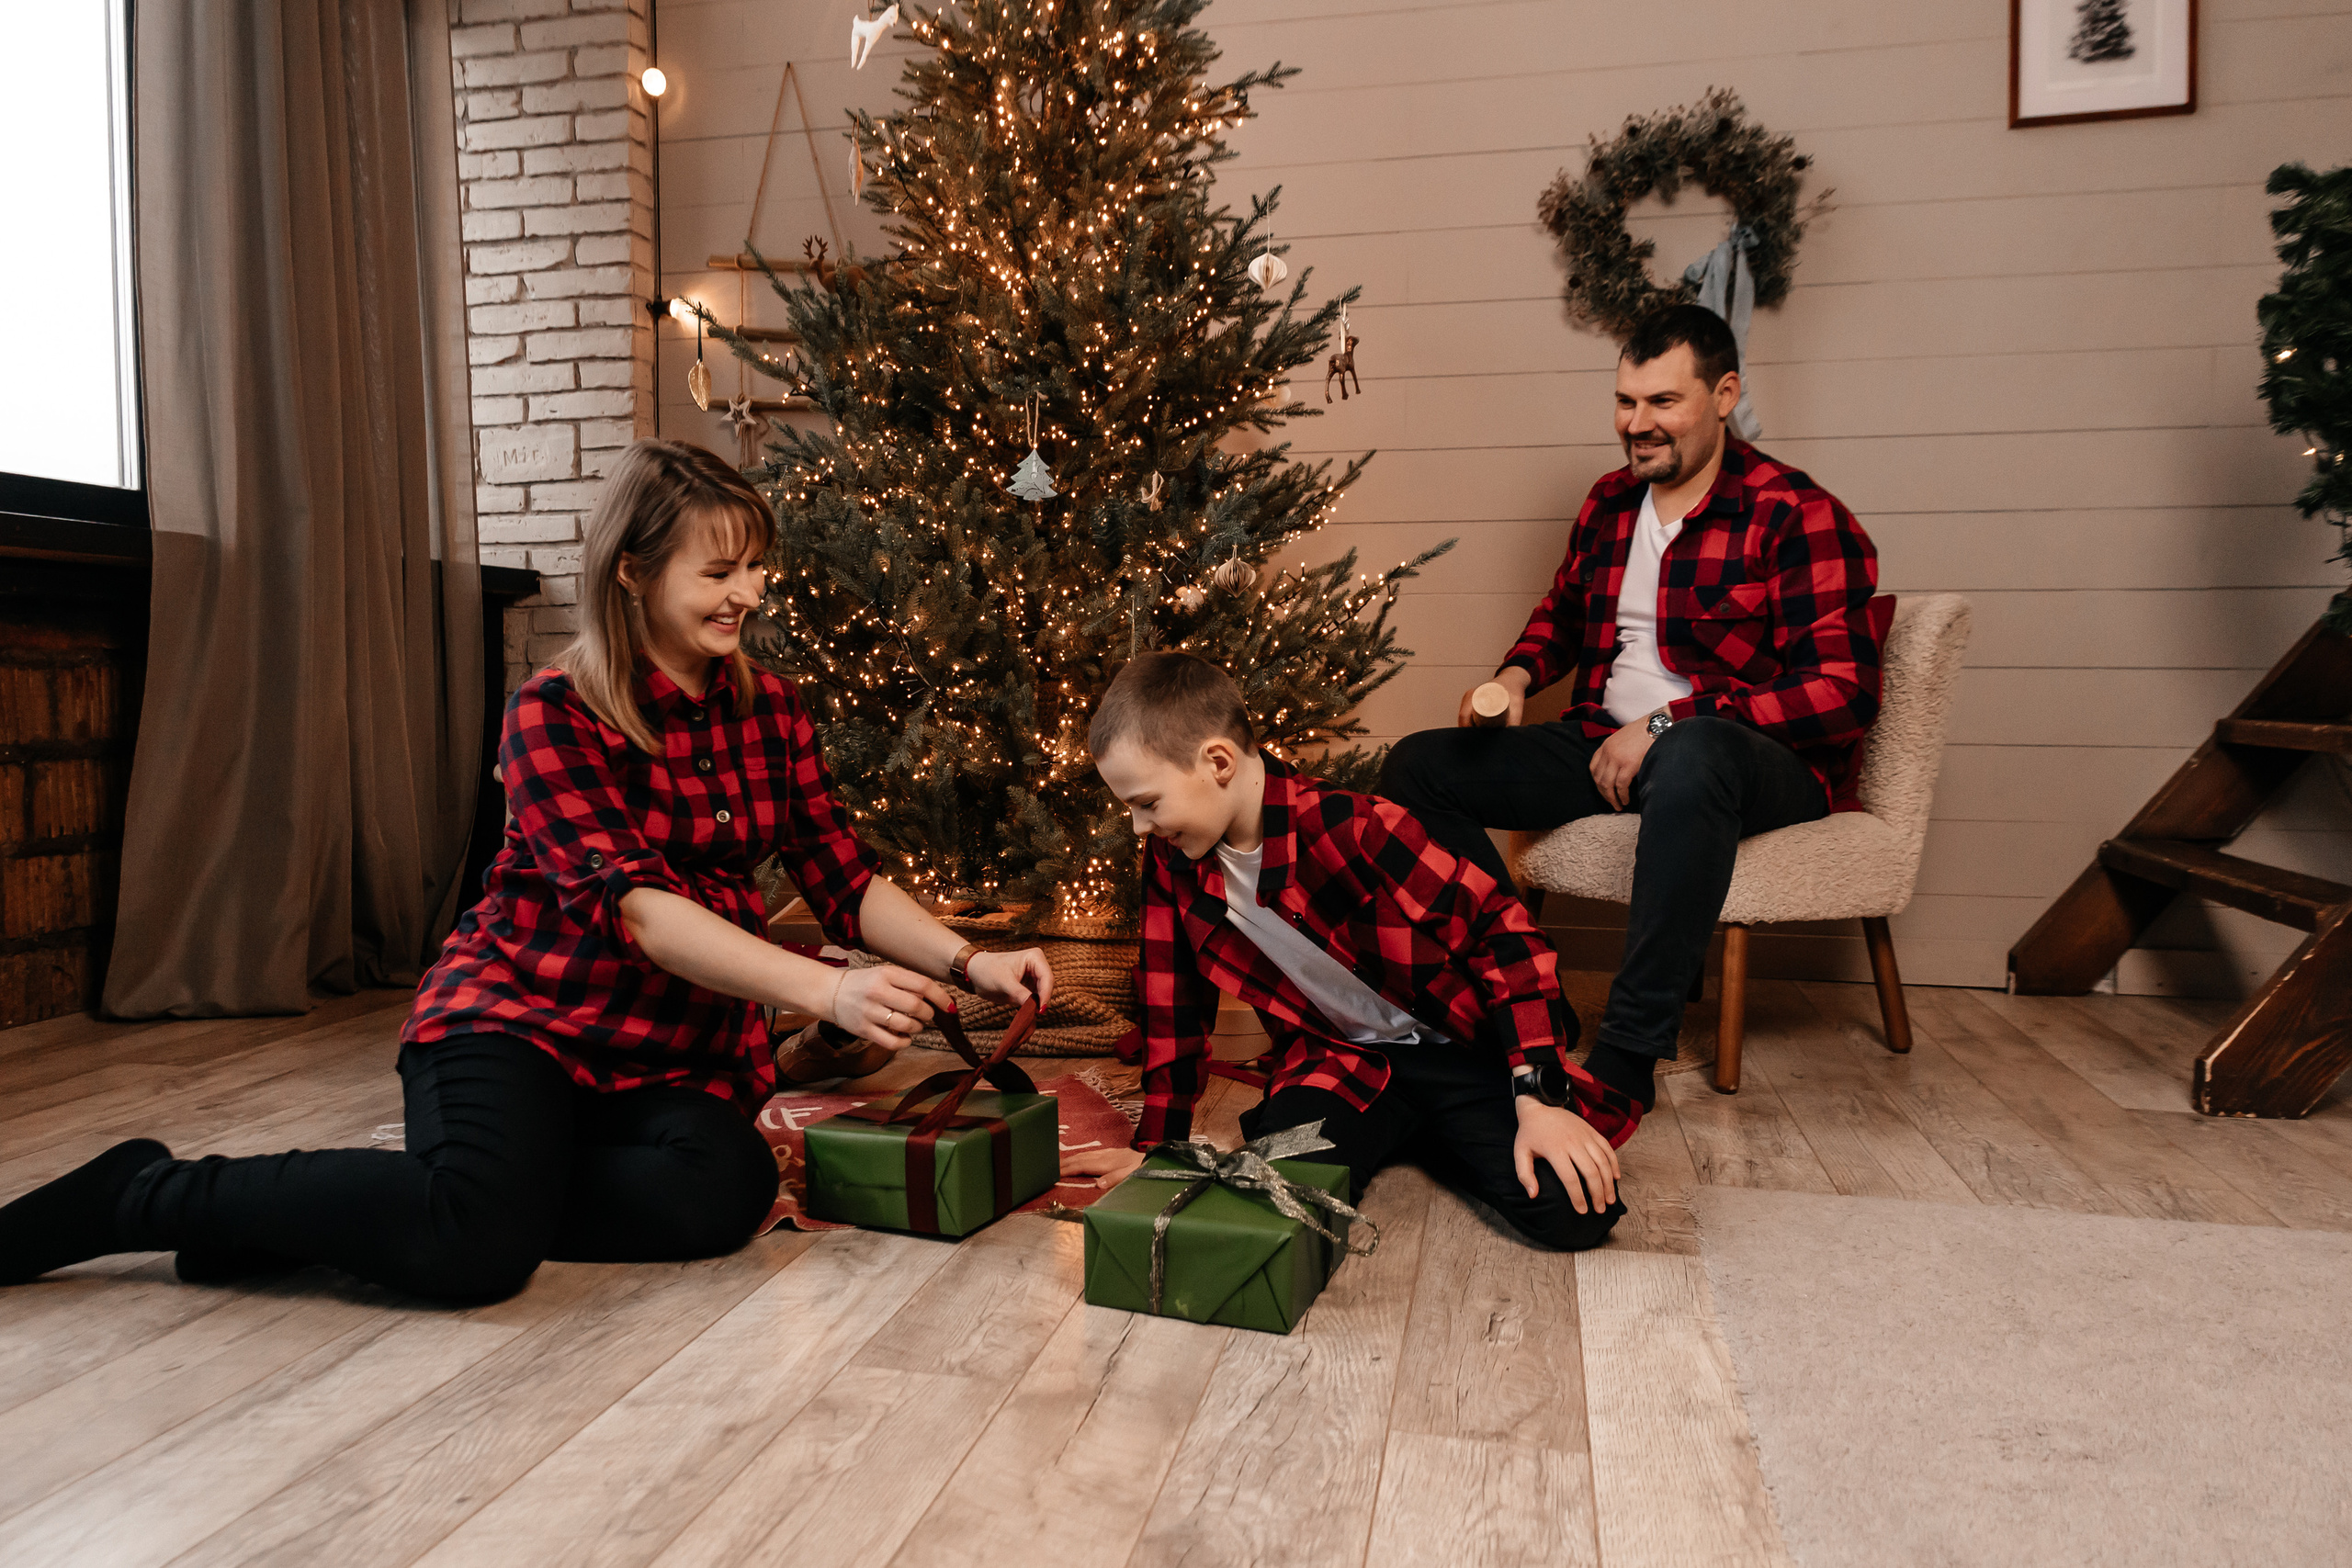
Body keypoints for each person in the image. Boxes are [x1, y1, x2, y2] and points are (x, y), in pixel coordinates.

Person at [0, 440, 1052, 1301]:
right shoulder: (552, 713)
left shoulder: (768, 711)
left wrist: (971, 961)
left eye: (754, 568)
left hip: (667, 1058)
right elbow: (639, 914)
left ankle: (390, 1213)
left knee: (723, 1194)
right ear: (634, 573)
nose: (749, 594)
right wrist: (829, 990)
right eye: (719, 571)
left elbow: (844, 879)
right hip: (518, 1025)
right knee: (475, 1251)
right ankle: (145, 1192)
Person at [1378, 304, 1883, 1113]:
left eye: (1662, 403)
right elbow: (1563, 617)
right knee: (1416, 766)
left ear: (1724, 395)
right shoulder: (1610, 503)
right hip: (1602, 740)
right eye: (1625, 401)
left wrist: (1664, 725)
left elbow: (1842, 692)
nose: (1636, 424)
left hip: (1749, 762)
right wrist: (1512, 677)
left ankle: (1624, 1059)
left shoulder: (1794, 513)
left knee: (1692, 752)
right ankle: (1526, 992)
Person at [1074, 651, 1643, 1251]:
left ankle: (1430, 1128)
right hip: (1337, 1060)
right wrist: (1158, 1152)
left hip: (1455, 1051)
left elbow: (1508, 934)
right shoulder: (1170, 861)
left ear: (1217, 761)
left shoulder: (1356, 827)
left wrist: (1539, 1097)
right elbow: (1173, 1010)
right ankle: (1392, 1127)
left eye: (1147, 802)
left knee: (1573, 1208)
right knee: (1276, 1209)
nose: (1139, 826)